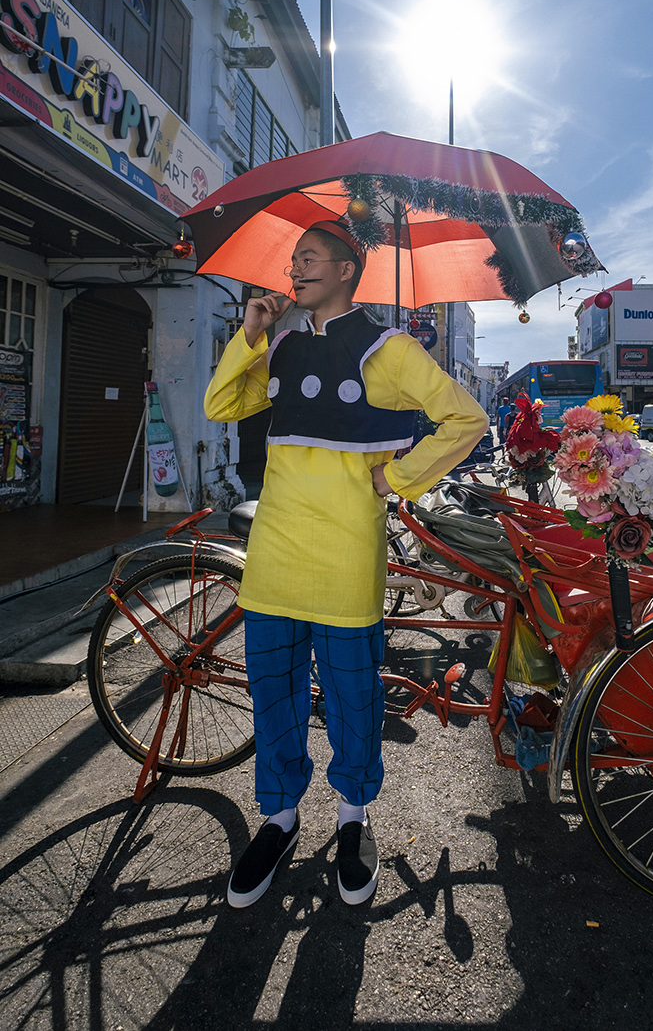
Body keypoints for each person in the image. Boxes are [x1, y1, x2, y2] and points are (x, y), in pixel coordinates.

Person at [204, 219, 487, 909]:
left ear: (342, 272)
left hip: (347, 551)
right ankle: (277, 816)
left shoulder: (386, 349)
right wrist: (251, 334)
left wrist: (398, 479)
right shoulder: (283, 344)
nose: (293, 270)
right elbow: (221, 403)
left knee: (353, 697)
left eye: (306, 259)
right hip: (275, 546)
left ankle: (352, 816)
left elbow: (465, 418)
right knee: (273, 690)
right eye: (293, 259)